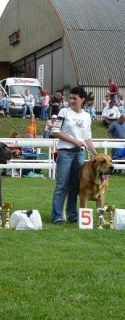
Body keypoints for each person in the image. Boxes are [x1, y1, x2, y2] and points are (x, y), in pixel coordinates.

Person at [50, 86, 98, 225]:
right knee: (61, 184)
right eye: (70, 98)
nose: (71, 100)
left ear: (82, 99)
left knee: (75, 185)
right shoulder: (64, 112)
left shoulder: (87, 116)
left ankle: (72, 214)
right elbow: (55, 131)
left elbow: (87, 138)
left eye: (74, 98)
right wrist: (74, 141)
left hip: (79, 154)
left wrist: (96, 154)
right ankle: (57, 215)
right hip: (65, 152)